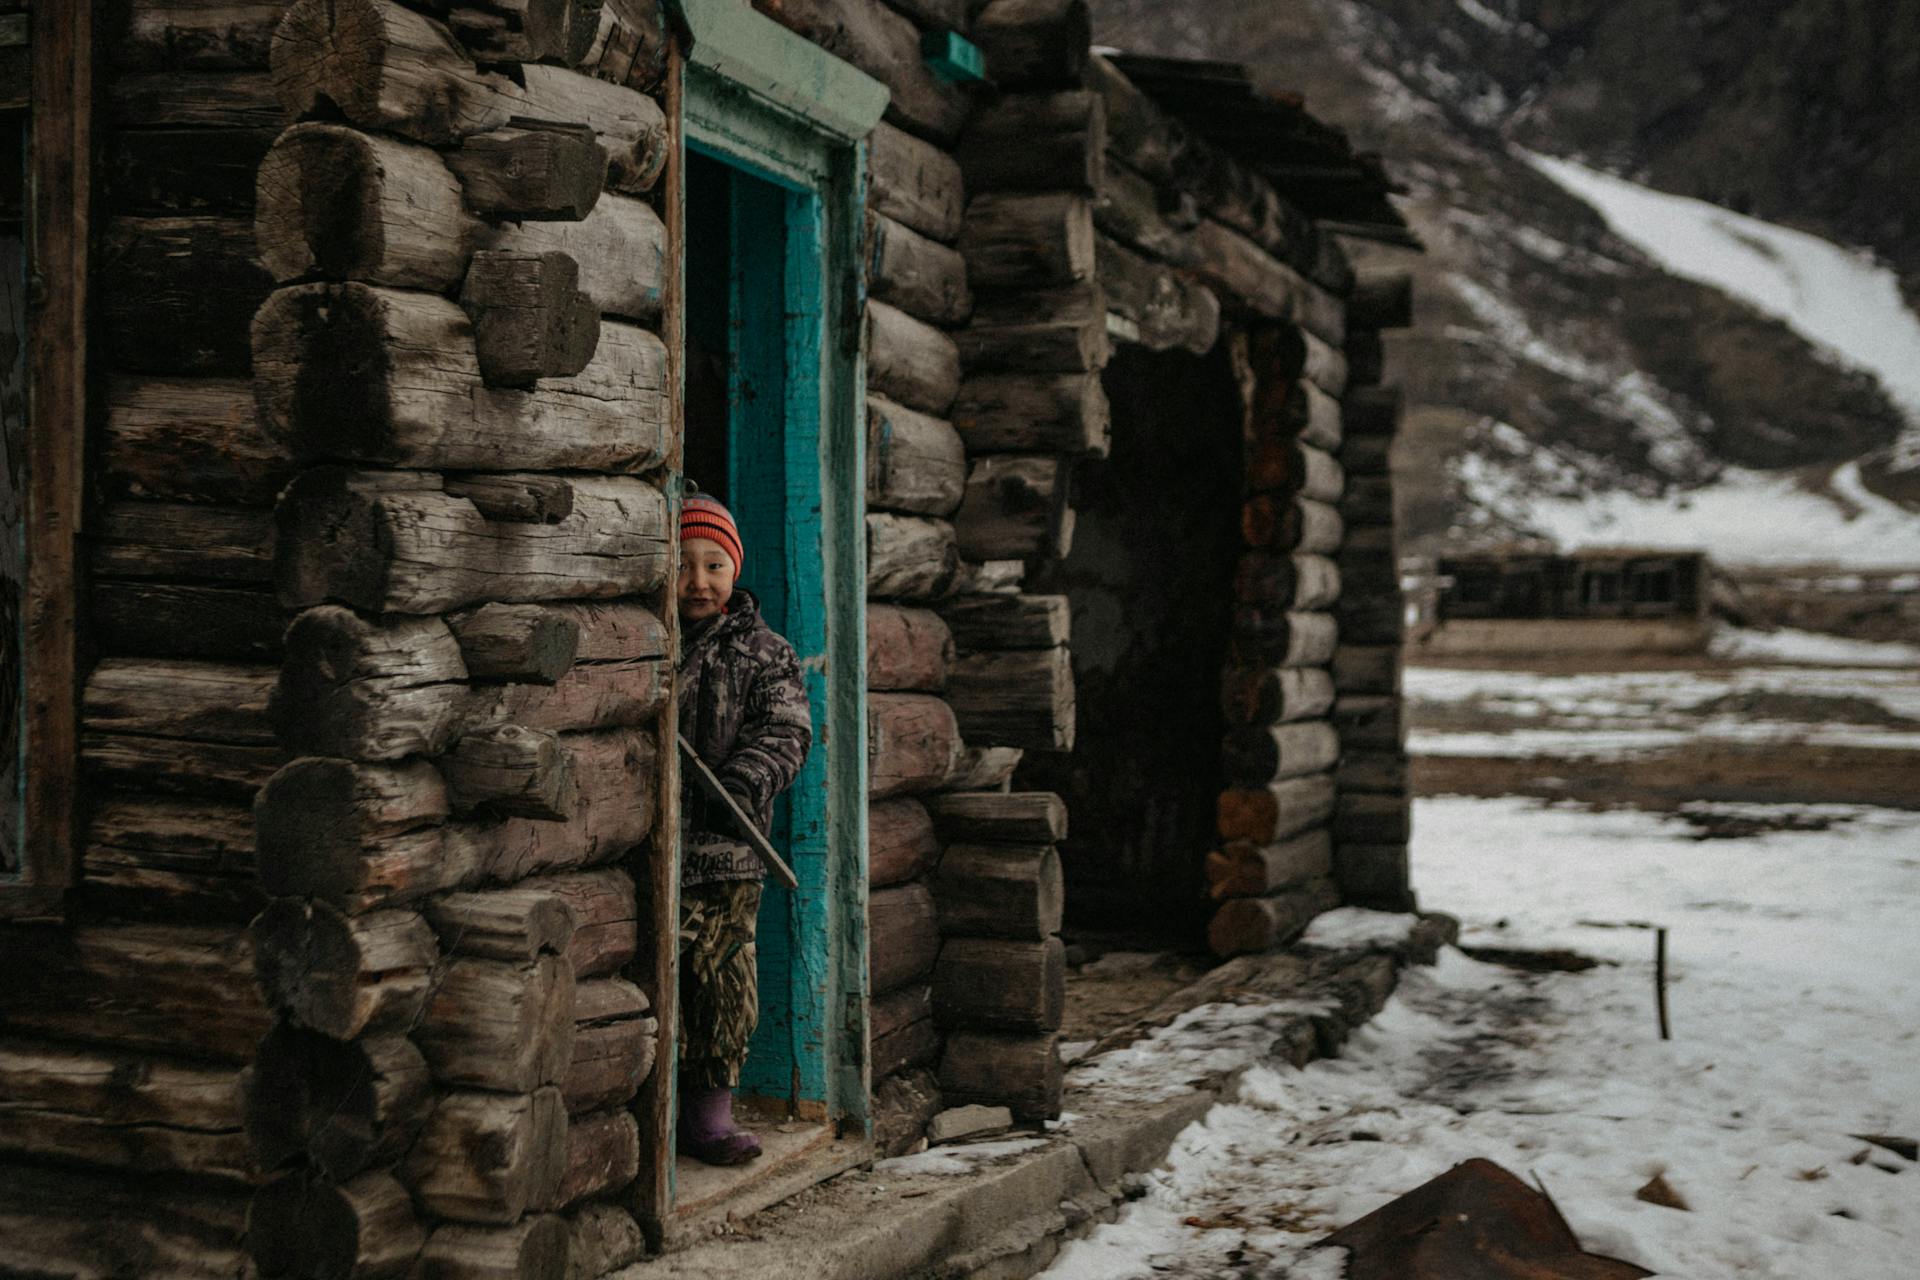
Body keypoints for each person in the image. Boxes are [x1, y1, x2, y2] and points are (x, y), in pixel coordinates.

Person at [674, 492, 812, 1166]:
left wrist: (744, 780)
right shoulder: (643, 643)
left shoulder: (766, 653)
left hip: (727, 852)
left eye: (714, 565)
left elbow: (786, 732)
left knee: (721, 983)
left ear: (735, 570)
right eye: (683, 563)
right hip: (651, 851)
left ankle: (708, 1118)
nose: (697, 582)